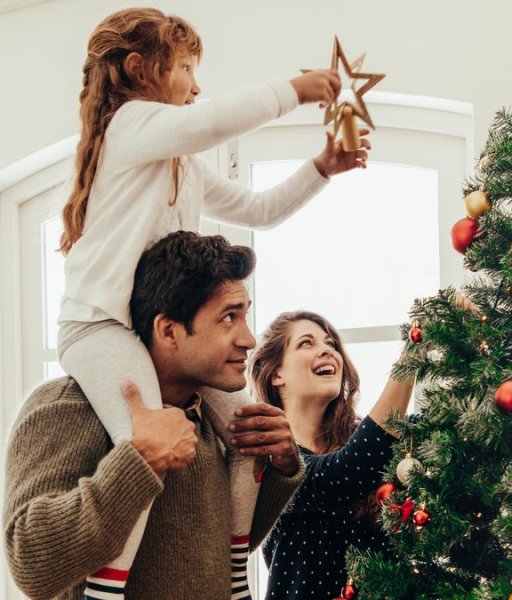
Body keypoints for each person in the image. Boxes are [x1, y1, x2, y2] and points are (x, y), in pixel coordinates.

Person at [55, 8, 369, 598]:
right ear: (139, 70)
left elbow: (260, 210)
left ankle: (232, 575)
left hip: (154, 331)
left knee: (248, 431)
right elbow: (212, 122)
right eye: (186, 69)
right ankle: (106, 588)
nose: (198, 86)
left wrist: (321, 168)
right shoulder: (129, 126)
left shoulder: (183, 164)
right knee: (145, 435)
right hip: (98, 327)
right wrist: (294, 91)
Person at [4, 231, 305, 599]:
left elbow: (214, 555)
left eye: (245, 315)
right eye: (229, 317)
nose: (249, 339)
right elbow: (31, 564)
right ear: (169, 331)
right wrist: (139, 461)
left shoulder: (206, 416)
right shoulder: (68, 404)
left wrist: (281, 467)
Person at [246, 310, 415, 600]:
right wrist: (415, 348)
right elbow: (343, 474)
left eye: (331, 344)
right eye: (306, 343)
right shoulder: (270, 456)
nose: (327, 350)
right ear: (276, 374)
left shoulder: (370, 443)